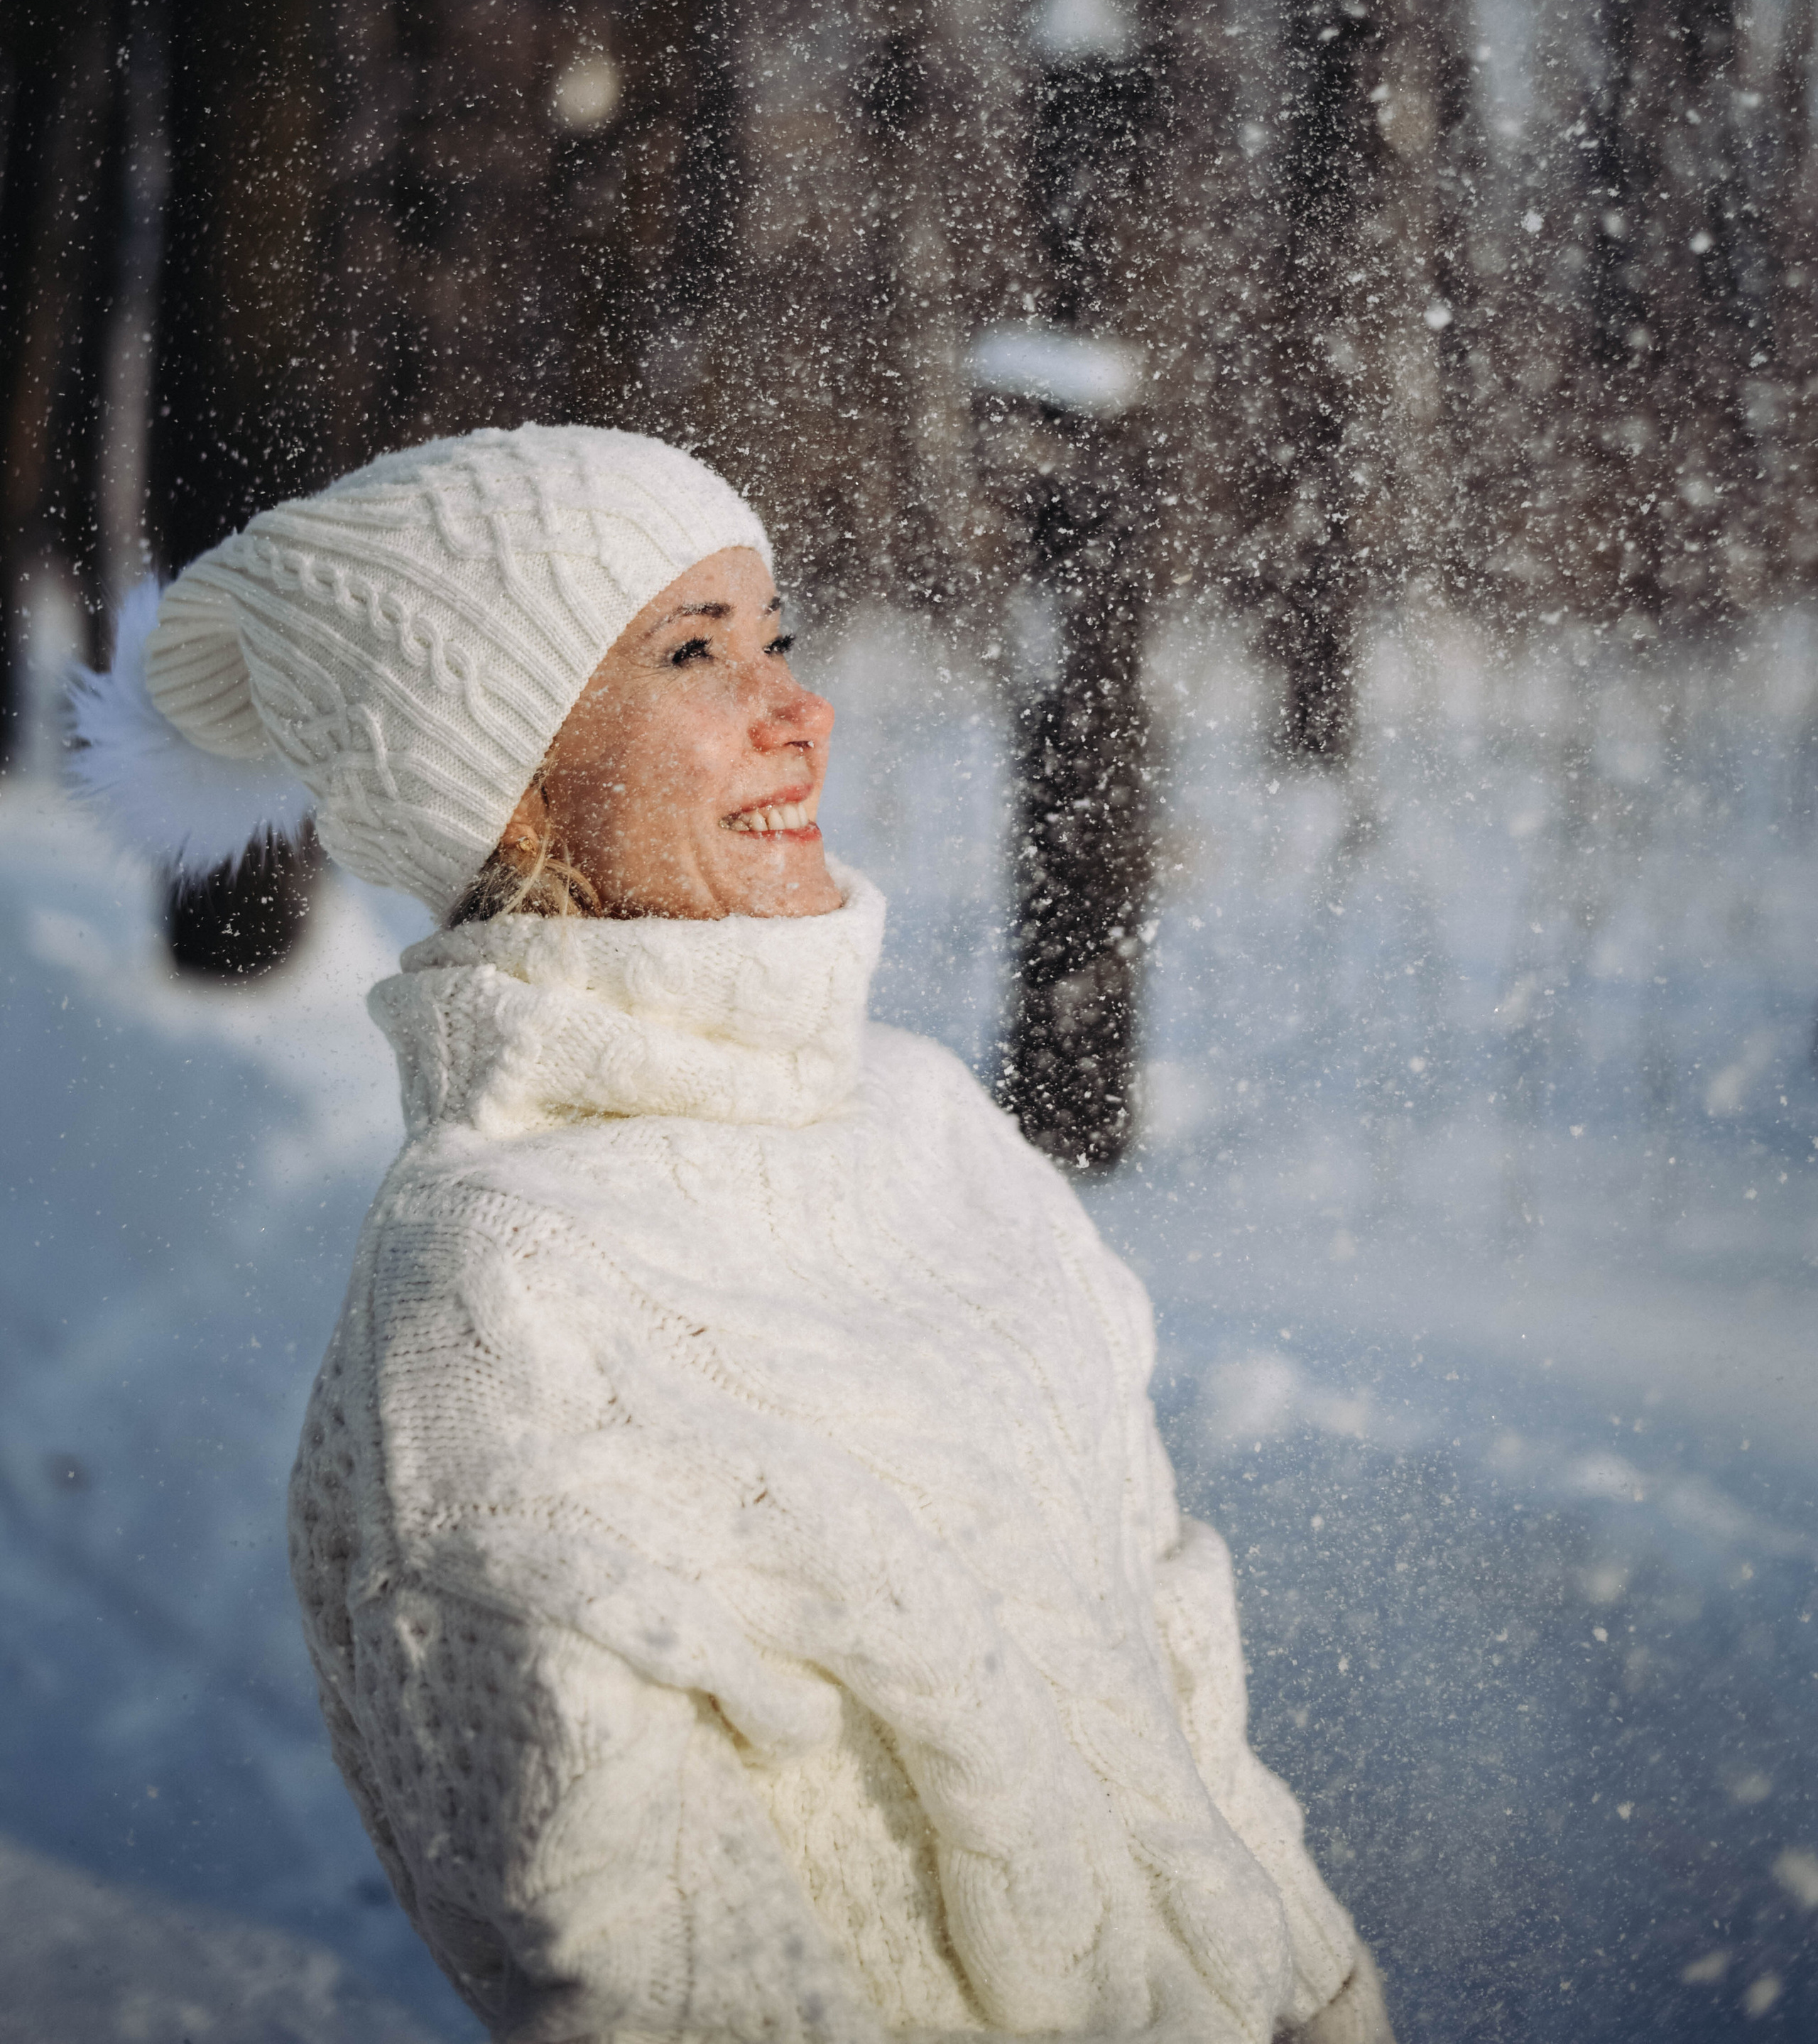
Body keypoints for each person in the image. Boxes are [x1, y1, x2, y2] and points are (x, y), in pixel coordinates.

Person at [71, 423, 1393, 2044]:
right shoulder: (493, 1289)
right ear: (505, 787)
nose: (798, 709)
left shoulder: (935, 1135)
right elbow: (663, 1971)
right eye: (693, 653)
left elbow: (1172, 1672)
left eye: (776, 637)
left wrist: (1326, 1999)